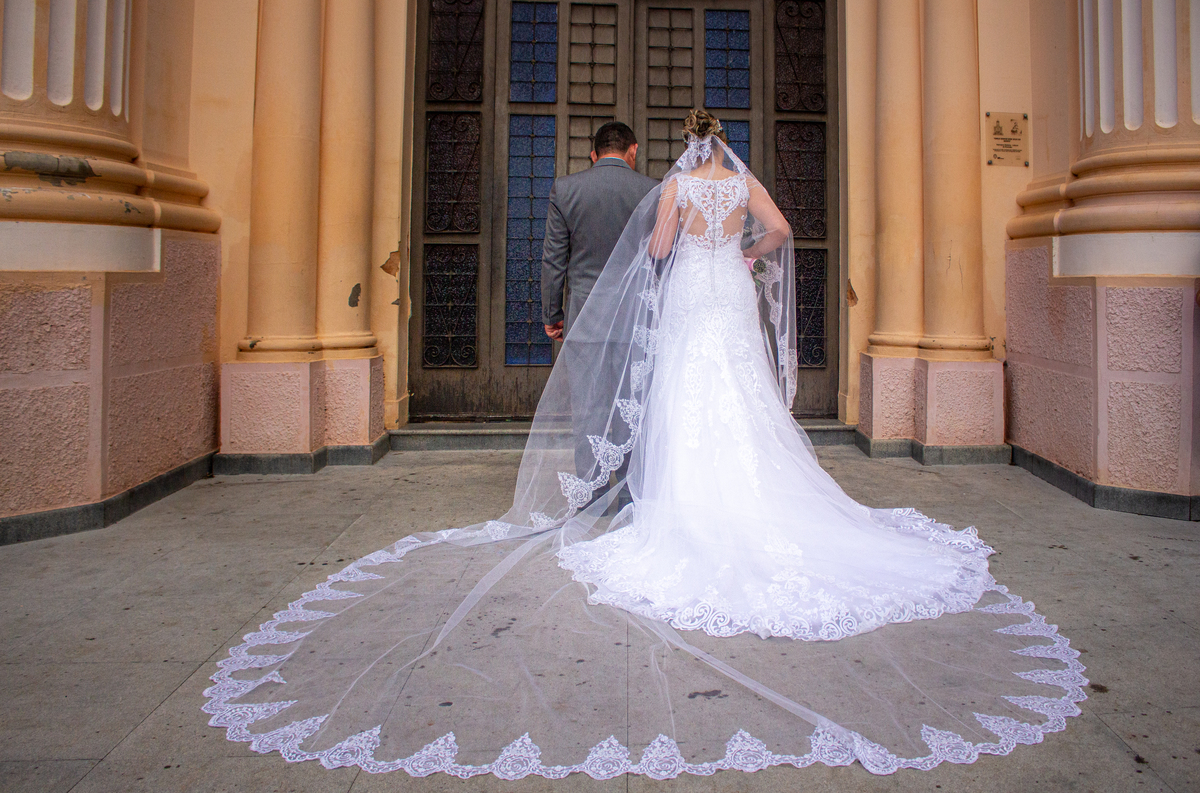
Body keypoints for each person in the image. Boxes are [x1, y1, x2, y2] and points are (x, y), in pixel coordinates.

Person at [206, 111, 1087, 782]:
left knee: (685, 400)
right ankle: (760, 498)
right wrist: (739, 253)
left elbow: (656, 253)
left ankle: (661, 498)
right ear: (728, 151)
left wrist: (681, 260)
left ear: (686, 150)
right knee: (742, 403)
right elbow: (783, 233)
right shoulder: (742, 193)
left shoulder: (673, 190)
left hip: (689, 303)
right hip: (731, 301)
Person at [541, 122, 658, 341]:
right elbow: (661, 255)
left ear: (594, 155)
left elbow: (553, 260)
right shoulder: (653, 190)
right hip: (634, 315)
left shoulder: (565, 189)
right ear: (634, 150)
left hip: (584, 315)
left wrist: (552, 314)